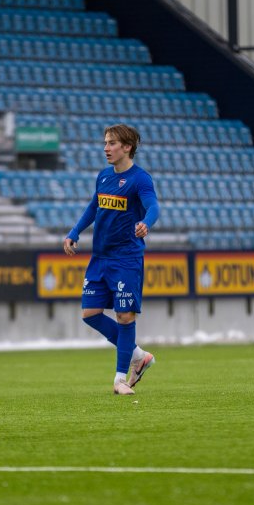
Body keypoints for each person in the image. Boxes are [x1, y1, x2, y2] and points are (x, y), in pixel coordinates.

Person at [64, 124, 159, 395]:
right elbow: (94, 206)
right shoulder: (104, 176)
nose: (106, 148)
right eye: (105, 143)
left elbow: (153, 206)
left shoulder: (140, 179)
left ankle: (120, 380)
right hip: (100, 257)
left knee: (124, 316)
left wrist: (146, 222)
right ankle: (138, 356)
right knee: (90, 313)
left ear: (127, 147)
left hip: (126, 258)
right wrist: (74, 232)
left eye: (112, 143)